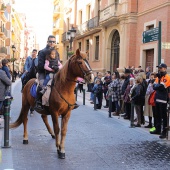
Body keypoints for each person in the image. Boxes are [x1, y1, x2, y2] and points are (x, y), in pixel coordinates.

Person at [150, 63, 170, 139]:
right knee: (157, 115)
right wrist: (158, 85)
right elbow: (154, 86)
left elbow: (163, 87)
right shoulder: (158, 77)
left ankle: (164, 132)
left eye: (161, 68)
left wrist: (158, 85)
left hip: (164, 99)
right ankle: (158, 129)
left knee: (164, 117)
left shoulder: (167, 77)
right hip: (157, 98)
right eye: (159, 68)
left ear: (165, 68)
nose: (159, 69)